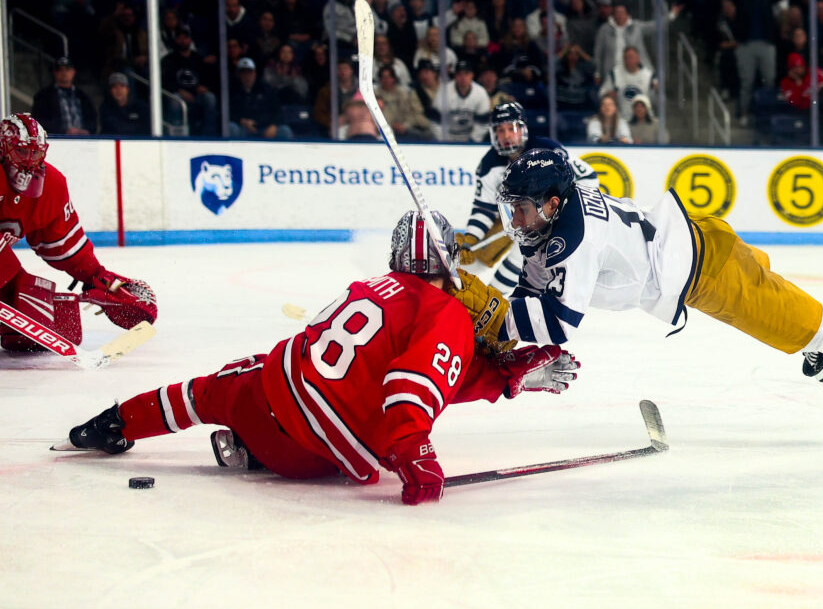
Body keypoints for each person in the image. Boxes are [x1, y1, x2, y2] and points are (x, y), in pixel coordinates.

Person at [53, 211, 579, 506]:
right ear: (451, 260)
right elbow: (416, 385)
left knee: (211, 389)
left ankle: (114, 423)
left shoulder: (373, 285)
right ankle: (252, 457)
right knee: (372, 417)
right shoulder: (444, 315)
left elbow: (414, 369)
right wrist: (418, 452)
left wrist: (498, 376)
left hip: (269, 396)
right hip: (316, 459)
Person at [456, 148, 823, 408]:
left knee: (802, 322)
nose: (514, 221)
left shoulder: (573, 238)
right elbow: (530, 291)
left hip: (703, 273)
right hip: (698, 237)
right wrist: (499, 324)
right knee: (784, 304)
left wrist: (494, 317)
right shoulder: (557, 219)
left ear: (551, 203)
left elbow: (559, 322)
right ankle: (817, 342)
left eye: (519, 209)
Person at [0, 113, 157, 353]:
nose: (30, 161)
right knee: (12, 279)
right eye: (22, 151)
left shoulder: (51, 185)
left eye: (37, 152)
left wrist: (98, 277)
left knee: (36, 307)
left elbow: (62, 244)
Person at [456, 102, 598, 296]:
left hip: (550, 215)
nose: (506, 136)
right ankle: (482, 299)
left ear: (522, 129)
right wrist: (471, 239)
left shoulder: (548, 150)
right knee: (480, 255)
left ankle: (494, 299)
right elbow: (484, 209)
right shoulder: (489, 165)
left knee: (523, 256)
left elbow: (589, 178)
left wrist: (565, 210)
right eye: (500, 130)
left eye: (511, 129)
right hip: (517, 214)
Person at [31, 58, 98, 136]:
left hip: (83, 140)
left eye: (67, 69)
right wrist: (64, 131)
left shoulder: (83, 97)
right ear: (54, 73)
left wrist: (86, 131)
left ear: (73, 72)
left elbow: (93, 120)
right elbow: (38, 122)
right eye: (60, 70)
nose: (64, 73)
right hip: (57, 141)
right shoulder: (43, 96)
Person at [229, 58, 292, 140]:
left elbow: (278, 111)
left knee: (284, 131)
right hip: (244, 129)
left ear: (254, 73)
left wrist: (274, 125)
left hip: (265, 128)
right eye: (243, 73)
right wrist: (242, 121)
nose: (247, 76)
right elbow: (227, 113)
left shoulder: (265, 89)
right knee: (231, 127)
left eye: (249, 72)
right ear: (239, 75)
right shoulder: (233, 91)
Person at [432, 60, 490, 142]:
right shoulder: (444, 92)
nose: (463, 78)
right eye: (459, 74)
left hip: (471, 140)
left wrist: (472, 141)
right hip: (447, 139)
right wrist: (444, 141)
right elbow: (435, 121)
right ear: (455, 76)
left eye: (466, 73)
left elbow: (483, 123)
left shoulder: (480, 93)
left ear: (472, 75)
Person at [99, 72, 151, 136]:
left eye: (122, 86)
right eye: (114, 87)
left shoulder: (141, 107)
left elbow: (146, 129)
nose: (118, 90)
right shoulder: (105, 108)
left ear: (127, 89)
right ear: (110, 91)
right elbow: (109, 129)